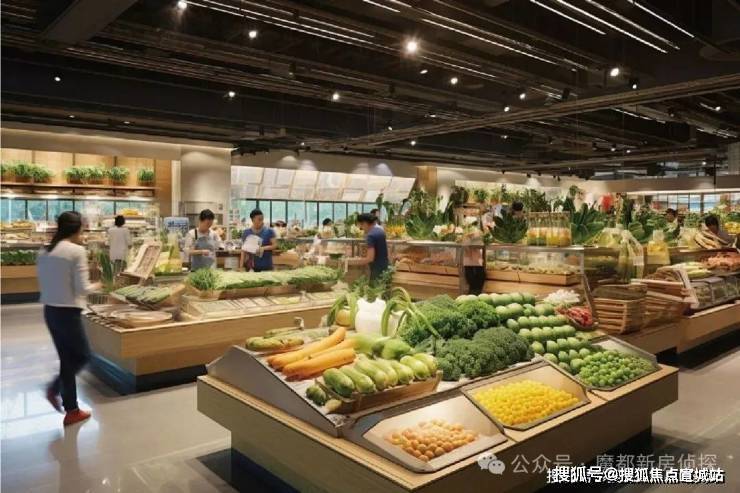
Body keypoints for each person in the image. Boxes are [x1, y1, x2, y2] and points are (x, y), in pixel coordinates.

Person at [36, 211, 100, 426]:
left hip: (50, 311)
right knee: (82, 356)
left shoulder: (45, 251)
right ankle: (54, 388)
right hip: (68, 313)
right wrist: (99, 285)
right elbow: (83, 288)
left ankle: (71, 410)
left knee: (67, 359)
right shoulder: (76, 251)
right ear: (77, 228)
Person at [348, 213, 389, 280]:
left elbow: (370, 258)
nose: (361, 229)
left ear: (365, 223)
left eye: (361, 225)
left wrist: (350, 262)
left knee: (375, 285)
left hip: (376, 268)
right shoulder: (380, 231)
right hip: (385, 266)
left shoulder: (370, 235)